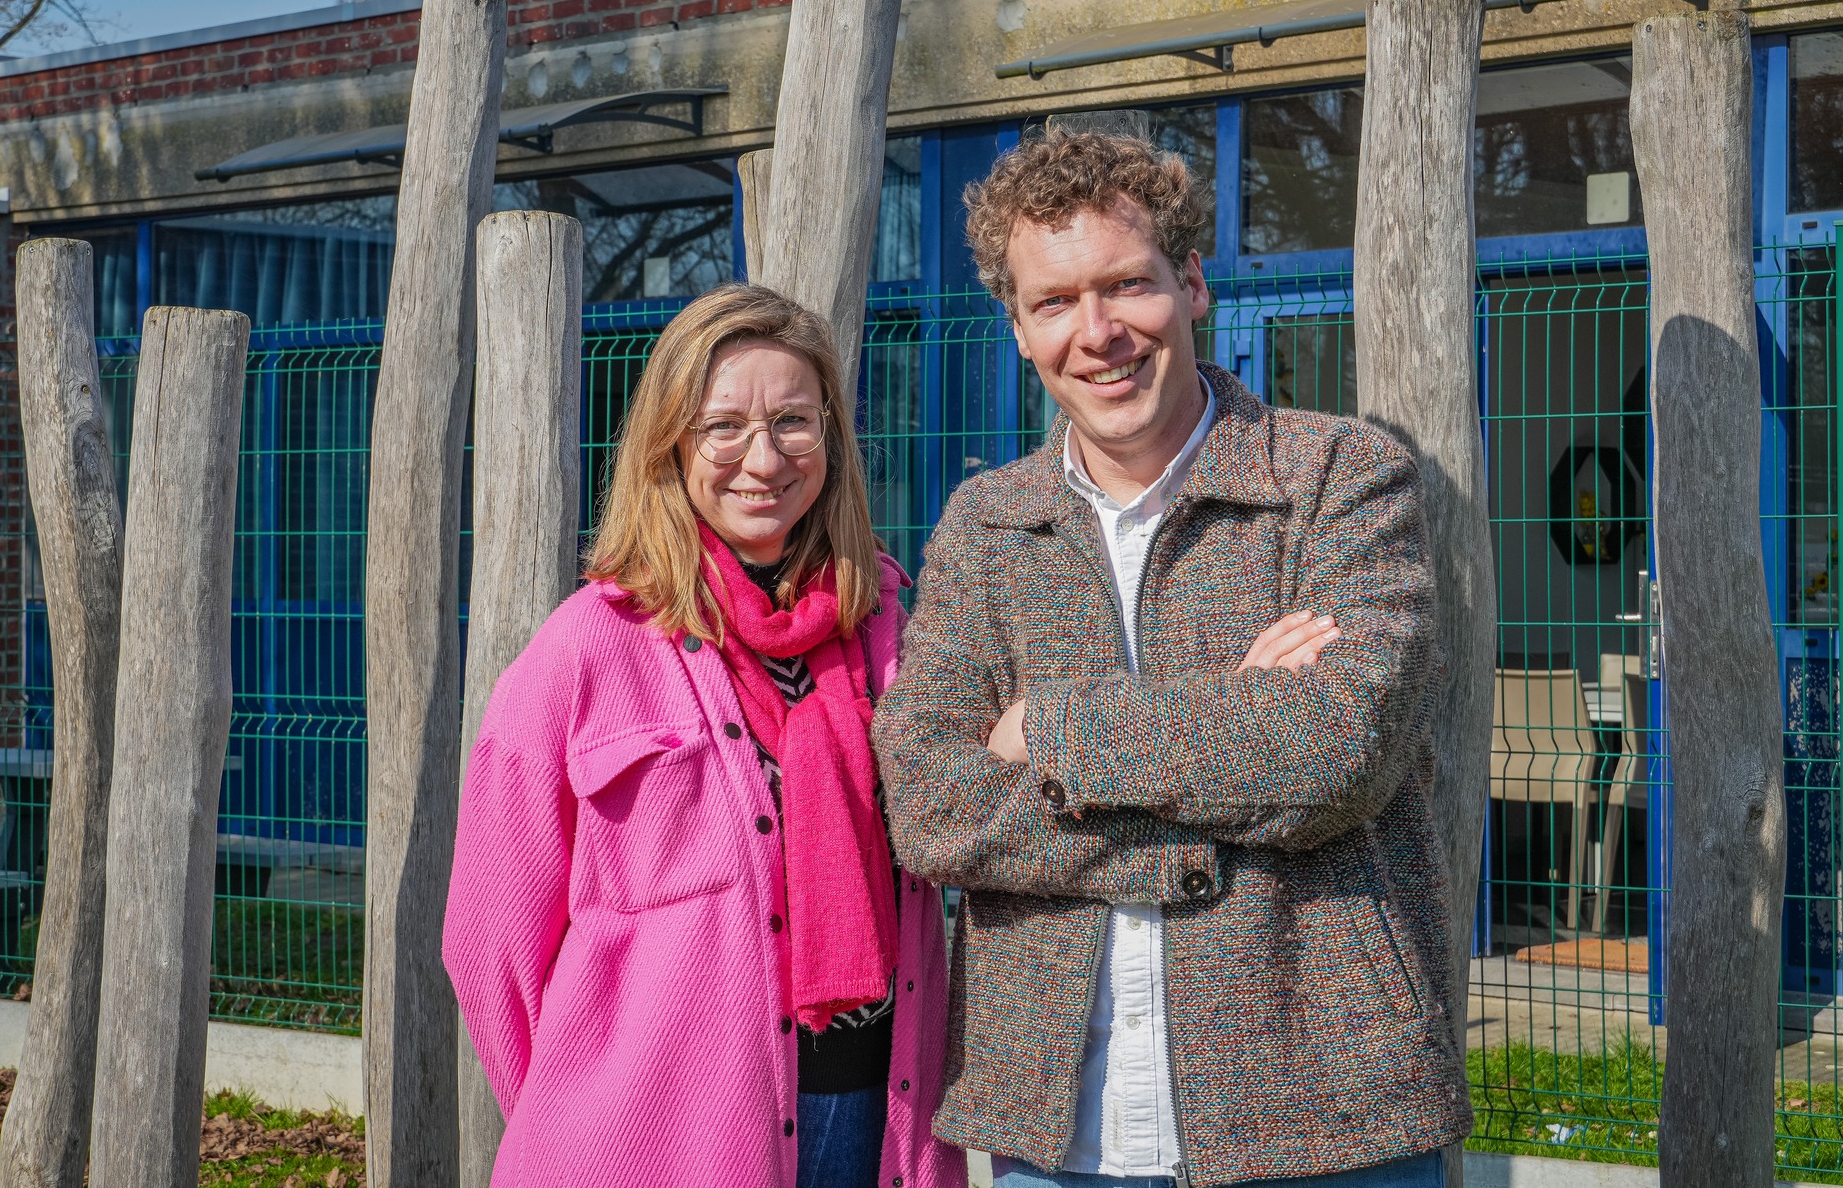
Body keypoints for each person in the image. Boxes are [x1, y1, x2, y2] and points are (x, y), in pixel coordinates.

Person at [873, 129, 1472, 1188]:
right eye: (1054, 302)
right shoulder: (986, 525)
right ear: (1018, 328)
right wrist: (1227, 733)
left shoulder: (1337, 477)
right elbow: (927, 802)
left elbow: (1335, 752)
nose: (1096, 331)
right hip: (1057, 1137)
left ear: (1191, 284)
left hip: (1325, 1121)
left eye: (1127, 285)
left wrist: (1047, 728)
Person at [445, 284, 967, 1188]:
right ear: (670, 443)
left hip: (871, 1104)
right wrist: (583, 1102)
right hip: (660, 1132)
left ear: (830, 438)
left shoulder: (887, 625)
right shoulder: (588, 646)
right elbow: (491, 937)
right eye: (723, 426)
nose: (762, 459)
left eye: (793, 421)